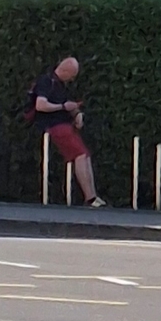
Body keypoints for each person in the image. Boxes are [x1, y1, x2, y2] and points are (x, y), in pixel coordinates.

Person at [28, 52, 105, 206]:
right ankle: (90, 197)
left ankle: (93, 196)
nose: (72, 79)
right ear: (65, 71)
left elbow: (66, 104)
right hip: (54, 126)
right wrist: (63, 106)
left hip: (63, 124)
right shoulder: (46, 82)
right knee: (80, 154)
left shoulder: (60, 85)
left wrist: (76, 113)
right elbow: (40, 105)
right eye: (72, 76)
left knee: (85, 155)